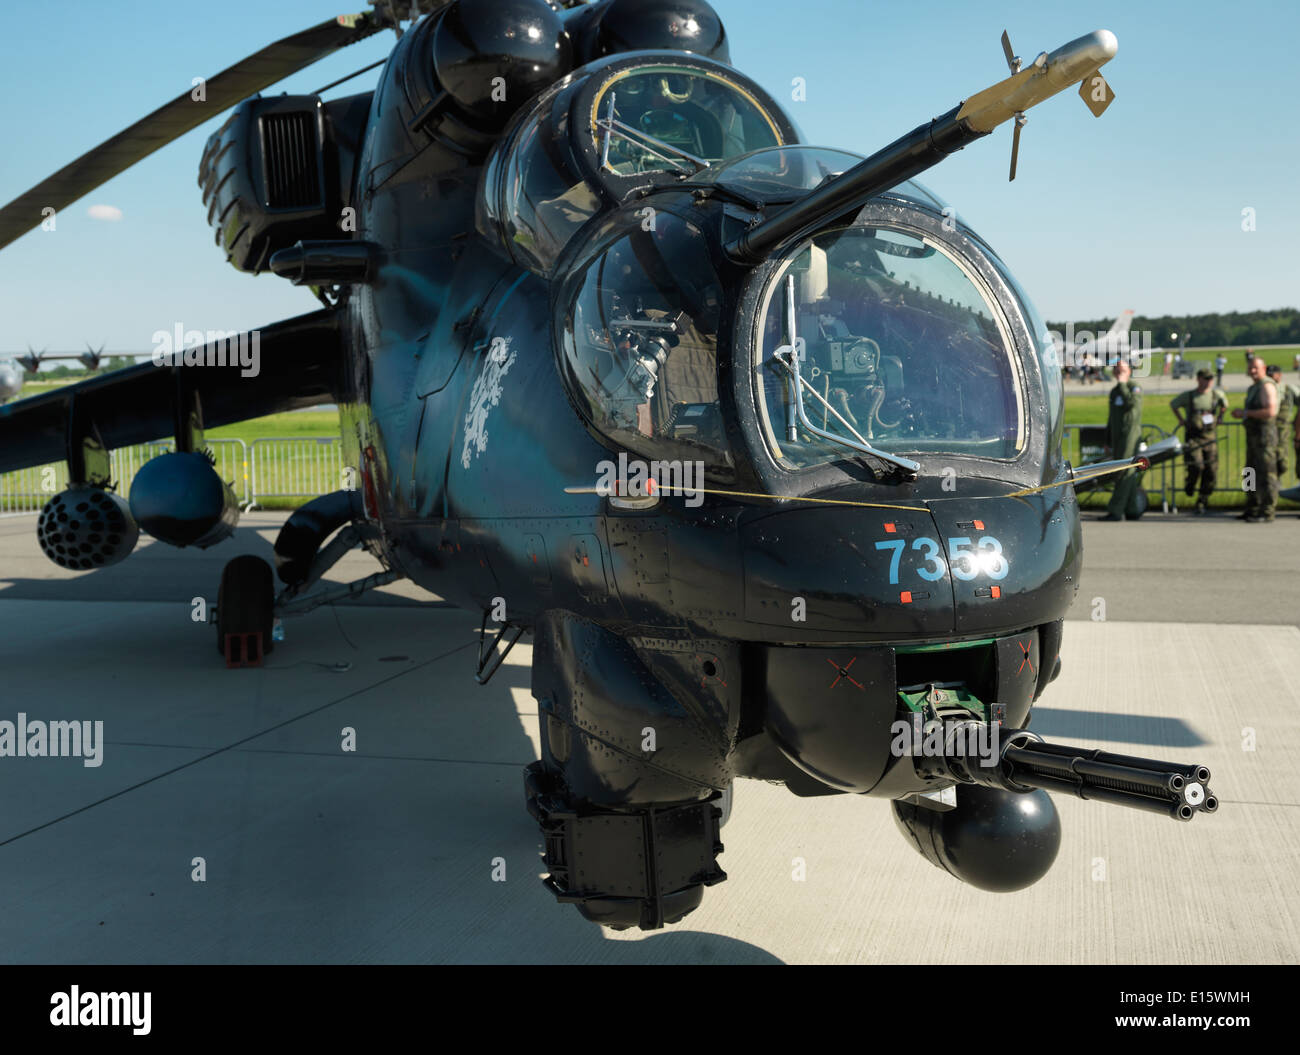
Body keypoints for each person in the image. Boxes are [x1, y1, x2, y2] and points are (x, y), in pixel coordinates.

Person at [1170, 368, 1228, 514]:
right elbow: (1173, 405)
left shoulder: (1216, 395)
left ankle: (1203, 500)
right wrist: (1181, 420)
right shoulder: (1189, 396)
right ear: (1198, 379)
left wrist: (1220, 417)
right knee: (1196, 465)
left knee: (1211, 470)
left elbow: (1225, 405)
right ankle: (1190, 484)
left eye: (1211, 379)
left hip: (1210, 438)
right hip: (1193, 438)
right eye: (1206, 378)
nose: (1209, 381)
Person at [1232, 357, 1279, 522]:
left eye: (1256, 368)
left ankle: (1267, 511)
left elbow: (1270, 411)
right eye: (1250, 368)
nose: (1252, 371)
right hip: (1253, 438)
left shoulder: (1267, 386)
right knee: (1249, 473)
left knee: (1267, 474)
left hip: (1264, 437)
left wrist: (1246, 414)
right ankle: (1252, 507)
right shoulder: (1254, 387)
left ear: (1263, 368)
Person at [1102, 359, 1144, 520]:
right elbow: (1111, 417)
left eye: (1123, 371)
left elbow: (1131, 404)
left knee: (1124, 470)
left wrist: (1123, 384)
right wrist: (1107, 439)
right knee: (1127, 470)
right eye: (1117, 370)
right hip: (1117, 435)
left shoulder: (1134, 388)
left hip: (1130, 434)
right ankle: (1132, 509)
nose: (1119, 373)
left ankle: (1116, 510)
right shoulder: (1114, 392)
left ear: (1129, 372)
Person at [1266, 365, 1299, 481]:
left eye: (1272, 374)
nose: (1269, 377)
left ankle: (1276, 481)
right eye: (1268, 375)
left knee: (1281, 460)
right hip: (1264, 432)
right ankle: (1252, 492)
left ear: (1279, 375)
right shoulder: (1262, 389)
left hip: (1282, 431)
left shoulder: (1288, 389)